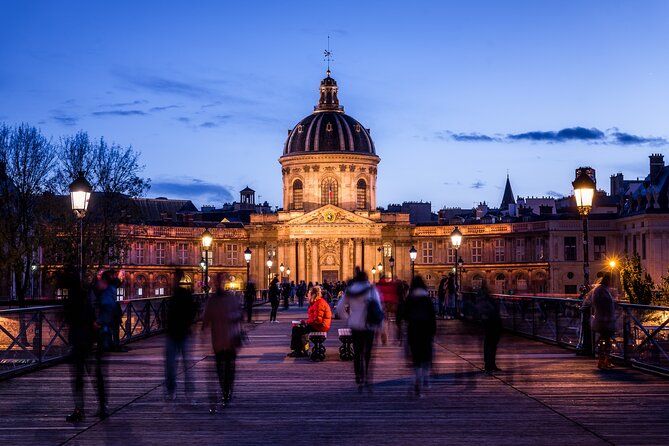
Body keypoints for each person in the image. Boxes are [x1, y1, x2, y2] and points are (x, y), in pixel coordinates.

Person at [336, 268, 383, 392]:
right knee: (368, 353)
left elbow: (339, 309)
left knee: (357, 353)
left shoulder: (350, 290)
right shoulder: (372, 289)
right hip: (369, 325)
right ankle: (367, 377)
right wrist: (381, 327)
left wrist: (349, 318)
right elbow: (378, 309)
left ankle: (358, 376)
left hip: (355, 325)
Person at [202, 278, 243, 412]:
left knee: (224, 368)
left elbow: (205, 322)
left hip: (224, 340)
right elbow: (206, 322)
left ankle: (226, 392)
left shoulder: (213, 301)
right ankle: (226, 392)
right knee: (226, 368)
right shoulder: (222, 300)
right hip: (224, 340)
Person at [63, 271, 95, 422]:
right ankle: (101, 406)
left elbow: (70, 318)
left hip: (78, 342)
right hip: (86, 341)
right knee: (92, 375)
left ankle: (79, 409)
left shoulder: (74, 298)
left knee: (78, 378)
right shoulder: (85, 296)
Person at [398, 276, 436, 397]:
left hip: (413, 330)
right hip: (426, 330)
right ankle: (425, 377)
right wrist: (433, 332)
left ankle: (417, 378)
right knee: (426, 356)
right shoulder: (427, 299)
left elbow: (404, 314)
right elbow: (432, 316)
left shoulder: (410, 298)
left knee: (416, 356)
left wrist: (399, 325)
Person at [164, 269, 197, 401]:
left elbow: (191, 310)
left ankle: (176, 391)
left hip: (180, 332)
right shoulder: (179, 294)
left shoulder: (180, 294)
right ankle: (183, 392)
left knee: (177, 365)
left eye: (175, 277)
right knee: (182, 365)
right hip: (176, 332)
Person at [92, 269, 117, 419]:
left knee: (99, 371)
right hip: (105, 334)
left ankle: (102, 406)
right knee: (99, 371)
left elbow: (107, 309)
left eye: (100, 279)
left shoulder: (107, 293)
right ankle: (102, 405)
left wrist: (98, 322)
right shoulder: (110, 291)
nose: (98, 282)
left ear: (105, 281)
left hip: (103, 334)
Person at [287, 286, 332, 357]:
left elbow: (317, 320)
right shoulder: (317, 302)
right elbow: (315, 318)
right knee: (298, 327)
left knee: (296, 329)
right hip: (318, 325)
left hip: (320, 326)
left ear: (313, 295)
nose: (307, 295)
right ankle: (302, 349)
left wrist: (306, 322)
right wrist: (305, 322)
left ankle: (298, 351)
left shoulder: (319, 303)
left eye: (308, 294)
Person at [590, 272, 616, 369]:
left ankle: (602, 360)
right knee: (607, 341)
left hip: (601, 318)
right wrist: (614, 302)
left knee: (603, 340)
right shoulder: (602, 290)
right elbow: (605, 303)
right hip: (605, 319)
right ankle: (605, 360)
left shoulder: (599, 289)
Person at [477, 281, 502, 374]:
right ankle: (489, 364)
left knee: (490, 344)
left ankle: (490, 363)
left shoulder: (484, 298)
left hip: (491, 322)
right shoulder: (484, 298)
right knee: (491, 344)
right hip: (491, 322)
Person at [376, 275, 400, 344]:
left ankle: (384, 338)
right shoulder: (391, 285)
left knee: (384, 321)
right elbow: (395, 293)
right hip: (392, 303)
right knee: (393, 322)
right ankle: (395, 338)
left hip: (382, 303)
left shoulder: (379, 285)